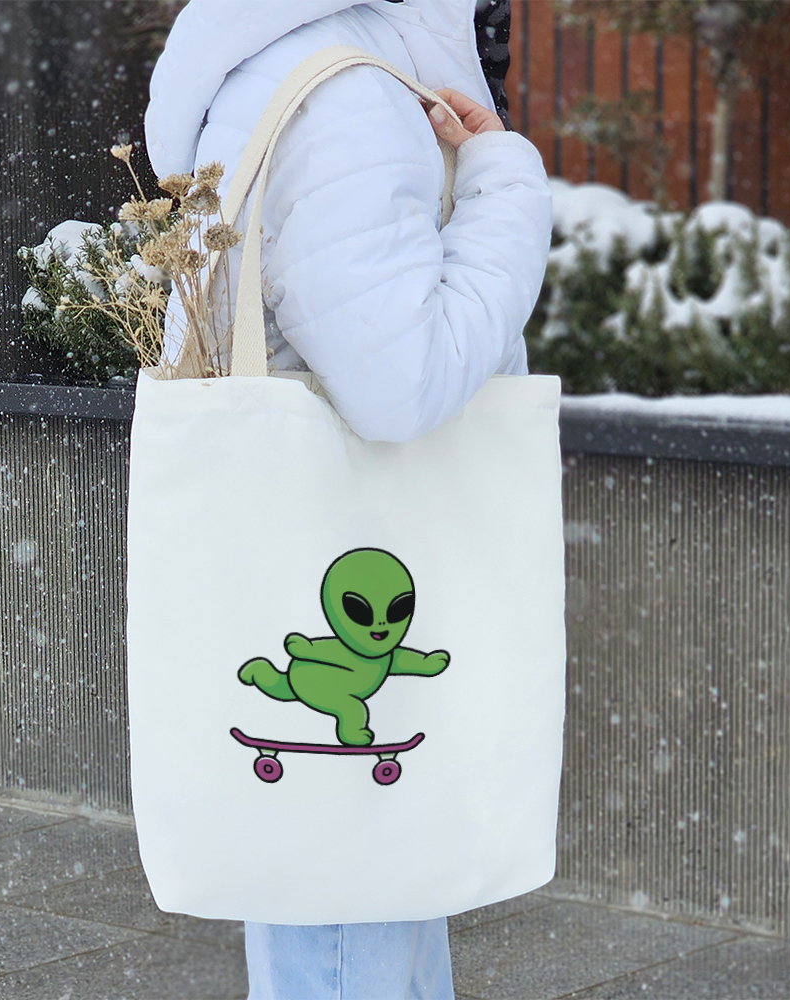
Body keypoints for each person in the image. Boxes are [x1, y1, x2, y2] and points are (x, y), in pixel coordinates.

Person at [145, 1, 552, 996]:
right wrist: (504, 185)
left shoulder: (302, 61)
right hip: (360, 532)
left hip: (314, 544)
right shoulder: (346, 95)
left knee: (358, 900)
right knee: (348, 919)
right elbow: (399, 384)